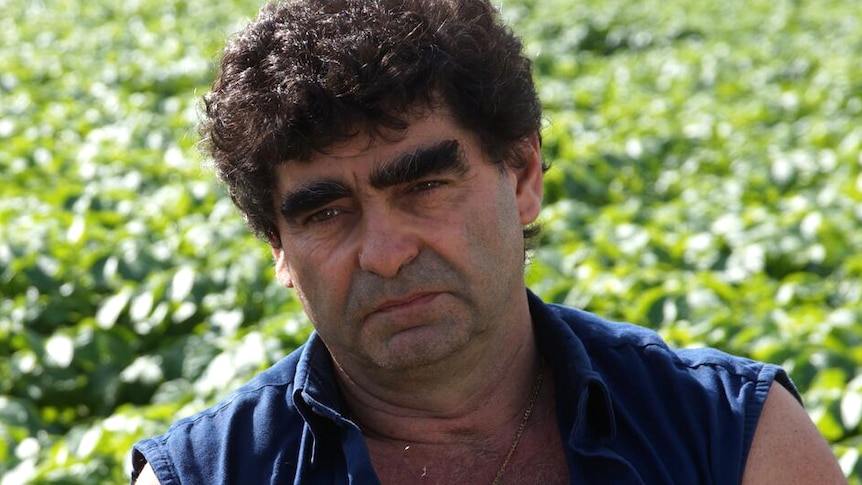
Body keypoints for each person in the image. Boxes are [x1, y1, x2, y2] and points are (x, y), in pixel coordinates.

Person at [131, 0, 846, 483]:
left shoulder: (735, 441)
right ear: (277, 248)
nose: (385, 251)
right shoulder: (202, 475)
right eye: (325, 213)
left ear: (523, 174)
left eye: (423, 187)